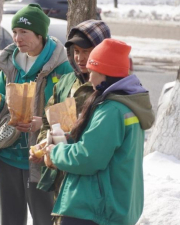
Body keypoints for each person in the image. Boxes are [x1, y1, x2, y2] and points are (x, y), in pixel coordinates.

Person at [46, 38, 155, 225]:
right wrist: (69, 139)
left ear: (106, 73)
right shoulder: (127, 104)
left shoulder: (111, 110)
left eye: (93, 72)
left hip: (95, 210)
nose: (89, 78)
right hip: (112, 205)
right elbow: (101, 145)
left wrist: (55, 152)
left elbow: (88, 157)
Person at [0, 4, 73, 225]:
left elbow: (71, 115)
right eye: (14, 32)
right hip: (8, 156)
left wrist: (43, 123)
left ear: (40, 34)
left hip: (41, 158)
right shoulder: (10, 63)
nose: (17, 37)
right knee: (10, 219)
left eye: (24, 32)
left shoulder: (61, 68)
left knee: (45, 219)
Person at [33, 20, 112, 201]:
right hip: (61, 177)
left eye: (86, 51)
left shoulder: (108, 88)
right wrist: (43, 145)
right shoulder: (65, 82)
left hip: (92, 181)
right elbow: (48, 122)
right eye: (76, 51)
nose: (80, 58)